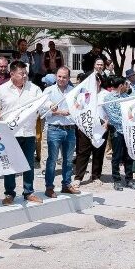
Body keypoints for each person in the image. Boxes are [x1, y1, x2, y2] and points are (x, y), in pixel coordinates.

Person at [0, 61, 44, 204]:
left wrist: (51, 107)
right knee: (10, 164)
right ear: (12, 74)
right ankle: (9, 193)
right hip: (10, 133)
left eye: (25, 73)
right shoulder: (2, 90)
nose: (24, 76)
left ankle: (28, 192)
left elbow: (42, 104)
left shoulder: (34, 89)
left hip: (28, 132)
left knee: (28, 164)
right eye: (21, 73)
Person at [41, 66, 80, 198]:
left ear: (69, 78)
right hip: (54, 129)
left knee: (68, 160)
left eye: (64, 77)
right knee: (52, 160)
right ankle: (49, 187)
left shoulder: (74, 92)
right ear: (56, 76)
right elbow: (42, 111)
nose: (61, 79)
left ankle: (66, 185)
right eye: (59, 76)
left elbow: (78, 110)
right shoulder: (48, 91)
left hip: (70, 129)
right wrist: (59, 112)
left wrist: (61, 112)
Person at [73, 72, 107, 185]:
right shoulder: (83, 94)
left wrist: (107, 123)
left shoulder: (106, 94)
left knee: (98, 152)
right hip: (85, 125)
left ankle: (96, 176)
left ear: (99, 82)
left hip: (101, 125)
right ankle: (78, 177)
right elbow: (77, 109)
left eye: (95, 82)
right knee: (83, 152)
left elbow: (111, 112)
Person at [102, 75, 135, 191]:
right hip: (117, 130)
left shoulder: (127, 97)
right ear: (121, 86)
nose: (127, 86)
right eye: (125, 84)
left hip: (128, 131)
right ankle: (116, 180)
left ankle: (129, 179)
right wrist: (127, 120)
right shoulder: (108, 98)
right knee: (117, 156)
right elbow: (113, 117)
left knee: (129, 155)